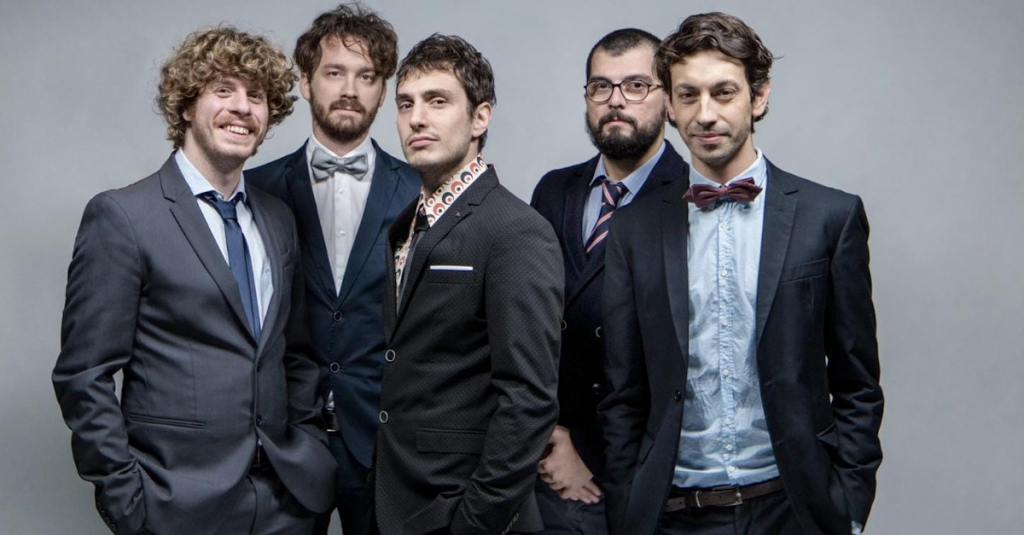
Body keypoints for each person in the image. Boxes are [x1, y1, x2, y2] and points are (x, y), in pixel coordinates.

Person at [599, 12, 883, 535]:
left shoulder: (830, 217)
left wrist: (848, 505)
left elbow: (857, 383)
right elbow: (622, 391)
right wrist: (626, 505)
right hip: (672, 514)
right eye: (688, 95)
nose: (705, 114)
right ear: (669, 106)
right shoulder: (632, 230)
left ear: (759, 96)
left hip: (795, 509)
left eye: (723, 93)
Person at [52, 27, 335, 534]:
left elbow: (295, 354)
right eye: (223, 90)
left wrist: (309, 447)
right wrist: (126, 498)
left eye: (256, 95)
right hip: (176, 507)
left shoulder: (278, 219)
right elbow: (83, 374)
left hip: (284, 506)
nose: (242, 107)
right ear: (186, 106)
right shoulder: (123, 217)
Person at [371, 34, 564, 535]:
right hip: (398, 499)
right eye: (406, 104)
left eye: (437, 101)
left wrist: (475, 522)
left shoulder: (516, 231)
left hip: (463, 510)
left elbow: (529, 400)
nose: (416, 118)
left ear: (480, 118)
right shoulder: (404, 225)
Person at [246, 6, 419, 534]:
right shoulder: (255, 191)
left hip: (387, 441)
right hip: (284, 440)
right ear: (305, 82)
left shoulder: (421, 191)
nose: (349, 90)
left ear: (383, 92)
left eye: (367, 76)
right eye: (334, 72)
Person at [529, 28, 688, 535]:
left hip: (639, 469)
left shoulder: (691, 198)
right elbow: (525, 325)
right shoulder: (554, 190)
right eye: (601, 86)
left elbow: (681, 359)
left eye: (636, 86)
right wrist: (551, 437)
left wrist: (591, 454)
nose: (616, 101)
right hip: (550, 463)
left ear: (668, 98)